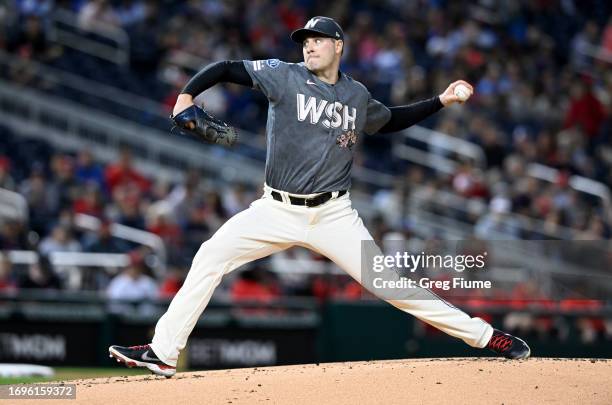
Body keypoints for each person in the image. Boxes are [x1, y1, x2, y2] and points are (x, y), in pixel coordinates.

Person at [109, 17, 530, 378]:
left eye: (316, 40)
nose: (308, 45)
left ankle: (487, 336)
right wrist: (186, 97)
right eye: (304, 41)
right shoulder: (284, 74)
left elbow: (391, 121)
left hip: (333, 214)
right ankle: (163, 353)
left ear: (338, 46)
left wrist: (441, 100)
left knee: (390, 286)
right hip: (275, 209)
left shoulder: (356, 95)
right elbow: (226, 68)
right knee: (210, 255)